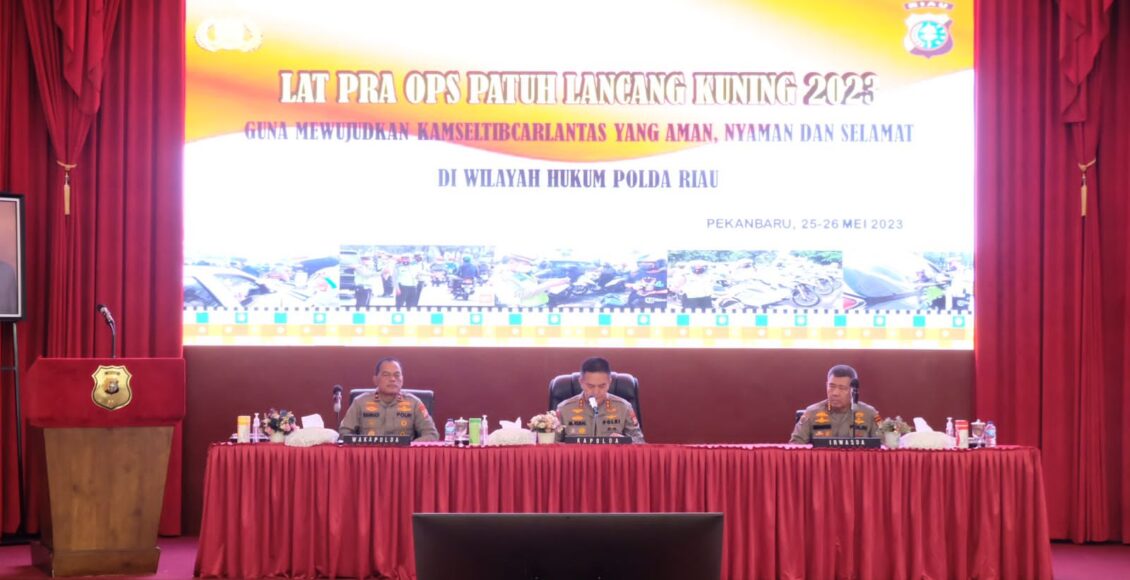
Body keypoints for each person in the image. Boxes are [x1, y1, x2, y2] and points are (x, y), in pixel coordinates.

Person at [338, 357, 439, 442]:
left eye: (397, 375)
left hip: (403, 457)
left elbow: (431, 434)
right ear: (375, 380)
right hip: (369, 456)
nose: (392, 379)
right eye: (386, 375)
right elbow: (344, 433)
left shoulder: (414, 403)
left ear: (402, 380)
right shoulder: (360, 402)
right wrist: (362, 447)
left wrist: (409, 446)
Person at [556, 357, 644, 443]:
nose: (596, 392)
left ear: (609, 382)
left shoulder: (624, 407)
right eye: (590, 386)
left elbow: (640, 441)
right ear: (581, 382)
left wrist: (625, 441)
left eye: (602, 386)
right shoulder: (564, 409)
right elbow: (552, 443)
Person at [789, 364, 880, 443]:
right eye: (831, 386)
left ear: (853, 390)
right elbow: (796, 445)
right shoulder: (811, 413)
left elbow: (884, 446)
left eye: (842, 388)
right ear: (826, 386)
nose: (835, 393)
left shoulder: (871, 413)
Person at [492, 254, 569, 308]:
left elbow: (534, 281)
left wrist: (556, 282)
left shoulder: (519, 274)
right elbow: (521, 295)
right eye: (525, 264)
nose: (529, 266)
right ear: (511, 262)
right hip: (528, 309)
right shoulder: (505, 278)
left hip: (540, 306)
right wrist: (547, 285)